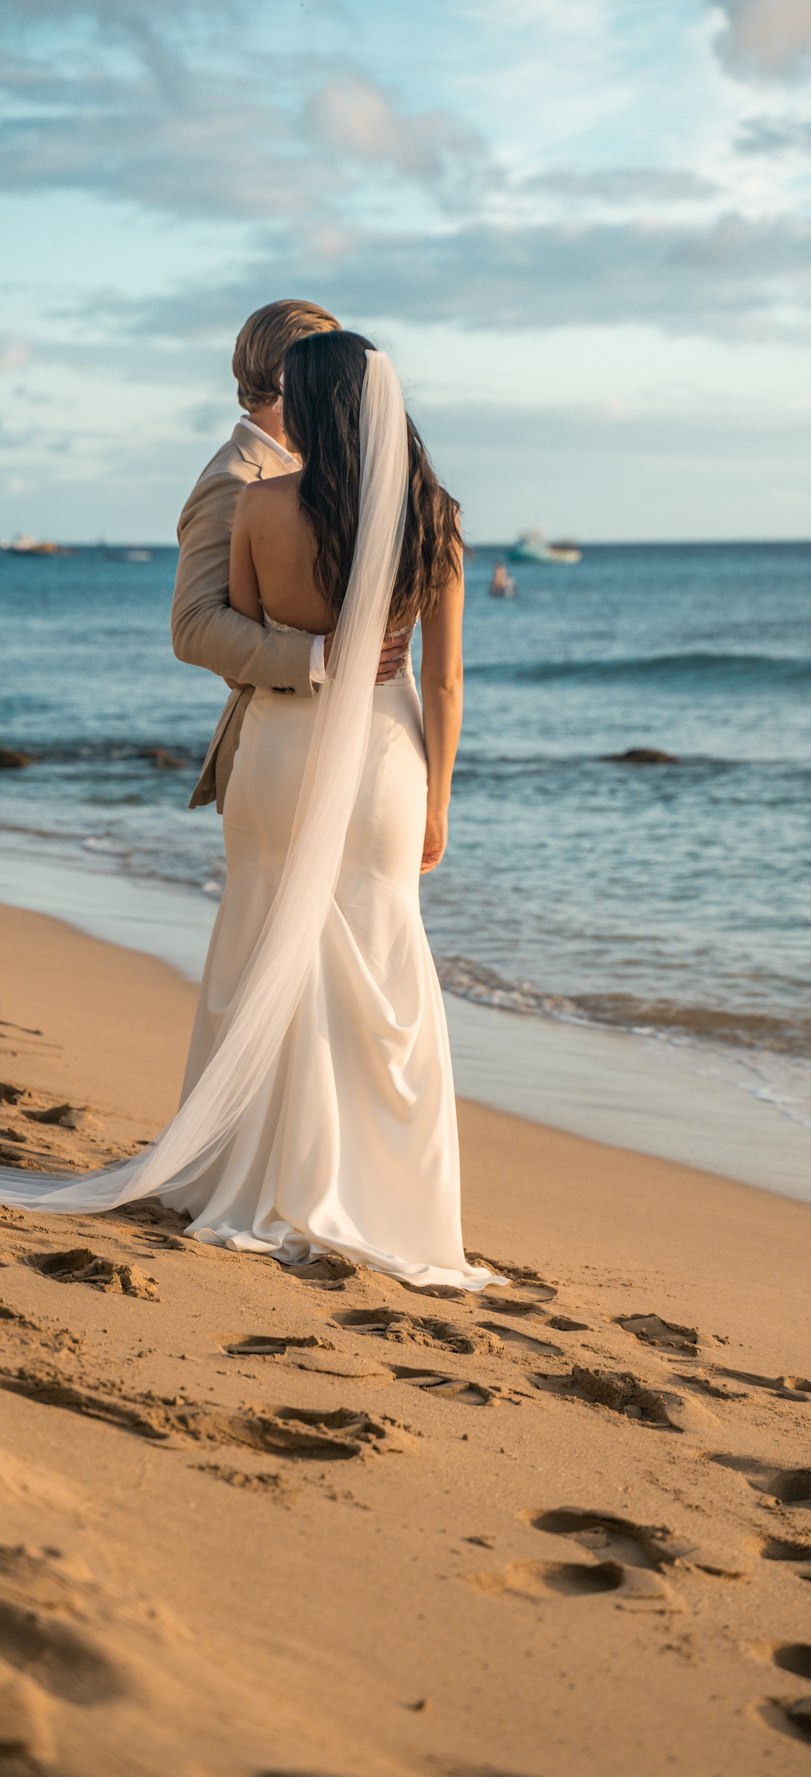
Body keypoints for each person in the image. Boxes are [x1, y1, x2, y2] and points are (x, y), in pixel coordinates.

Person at [0, 333, 506, 1295]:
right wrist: (439, 794)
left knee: (260, 937)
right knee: (379, 953)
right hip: (383, 761)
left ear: (307, 408)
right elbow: (444, 685)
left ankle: (239, 1172)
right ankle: (380, 1193)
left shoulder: (263, 503)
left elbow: (239, 627)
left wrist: (305, 639)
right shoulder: (435, 517)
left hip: (279, 749)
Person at [171, 297, 399, 813]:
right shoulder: (234, 481)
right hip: (278, 745)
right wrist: (319, 657)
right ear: (285, 375)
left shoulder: (315, 467)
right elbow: (193, 624)